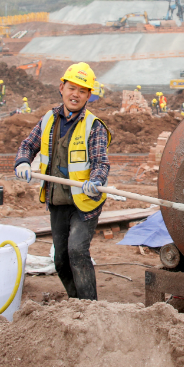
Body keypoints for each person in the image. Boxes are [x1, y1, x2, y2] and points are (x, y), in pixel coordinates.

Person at [14, 62, 111, 301]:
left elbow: (101, 162)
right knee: (60, 259)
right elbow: (28, 145)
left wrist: (95, 180)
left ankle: (90, 308)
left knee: (77, 250)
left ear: (89, 95)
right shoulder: (48, 119)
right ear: (61, 88)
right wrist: (23, 162)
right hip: (57, 200)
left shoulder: (93, 126)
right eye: (71, 88)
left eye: (82, 90)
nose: (75, 94)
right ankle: (76, 301)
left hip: (84, 202)